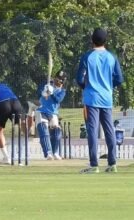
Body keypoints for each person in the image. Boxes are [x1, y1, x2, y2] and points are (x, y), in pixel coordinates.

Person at [76, 27, 124, 173]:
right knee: (109, 130)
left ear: (92, 40)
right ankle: (112, 164)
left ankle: (94, 165)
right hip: (106, 98)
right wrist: (109, 86)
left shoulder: (87, 56)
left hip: (91, 98)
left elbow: (79, 78)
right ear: (106, 41)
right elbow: (119, 79)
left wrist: (85, 86)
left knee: (92, 130)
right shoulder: (111, 57)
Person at [35, 71, 67, 160]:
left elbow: (58, 100)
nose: (59, 81)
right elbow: (39, 93)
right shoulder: (47, 85)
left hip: (53, 113)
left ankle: (55, 152)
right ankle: (48, 153)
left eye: (61, 80)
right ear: (55, 78)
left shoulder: (62, 91)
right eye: (58, 78)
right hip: (41, 110)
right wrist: (45, 89)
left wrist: (52, 93)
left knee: (57, 132)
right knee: (43, 129)